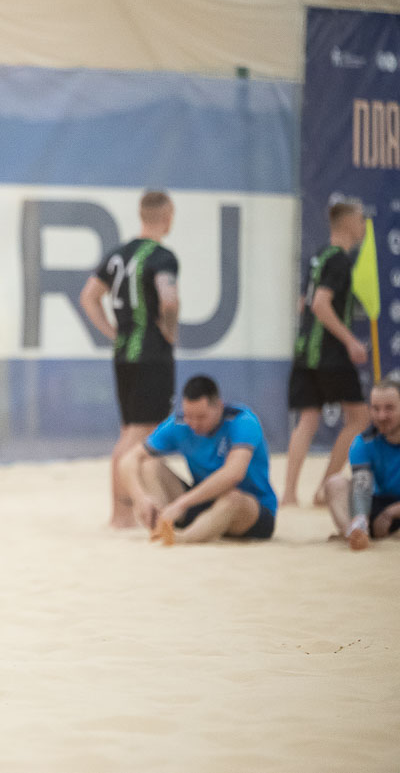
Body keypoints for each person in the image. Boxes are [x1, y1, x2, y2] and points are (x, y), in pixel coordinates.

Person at [79, 190, 180, 529]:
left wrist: (112, 332)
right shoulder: (162, 257)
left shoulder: (118, 256)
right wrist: (169, 332)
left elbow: (89, 297)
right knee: (139, 433)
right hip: (151, 355)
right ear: (167, 216)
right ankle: (120, 512)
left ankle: (128, 510)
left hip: (124, 353)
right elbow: (169, 300)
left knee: (131, 430)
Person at [281, 201, 370, 507]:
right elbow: (320, 304)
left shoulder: (318, 256)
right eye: (361, 220)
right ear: (348, 223)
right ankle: (323, 490)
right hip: (330, 355)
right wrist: (350, 341)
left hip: (305, 351)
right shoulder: (340, 261)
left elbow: (302, 304)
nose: (364, 225)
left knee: (306, 419)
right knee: (359, 418)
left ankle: (289, 494)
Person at [118, 374, 277, 544]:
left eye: (201, 417)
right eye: (188, 415)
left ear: (219, 406)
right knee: (150, 465)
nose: (193, 423)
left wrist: (181, 504)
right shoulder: (180, 424)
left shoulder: (243, 421)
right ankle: (162, 524)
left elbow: (233, 474)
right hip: (202, 505)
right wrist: (140, 498)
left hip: (249, 510)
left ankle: (182, 539)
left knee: (233, 498)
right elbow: (128, 460)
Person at [323, 376, 400, 550]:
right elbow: (361, 486)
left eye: (389, 408)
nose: (381, 416)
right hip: (377, 503)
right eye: (376, 408)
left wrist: (391, 512)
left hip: (394, 508)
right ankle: (354, 534)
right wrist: (360, 519)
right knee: (334, 483)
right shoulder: (363, 442)